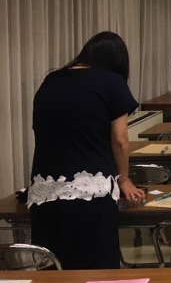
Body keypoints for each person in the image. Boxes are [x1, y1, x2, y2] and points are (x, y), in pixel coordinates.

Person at [28, 31, 146, 269]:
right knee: (96, 273)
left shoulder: (51, 81)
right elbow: (120, 139)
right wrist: (124, 179)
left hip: (45, 194)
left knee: (54, 272)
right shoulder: (112, 82)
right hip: (92, 194)